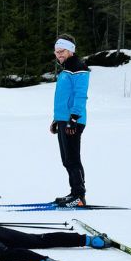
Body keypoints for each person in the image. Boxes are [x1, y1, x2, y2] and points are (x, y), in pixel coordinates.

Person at [50, 34, 90, 208]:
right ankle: (74, 193)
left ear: (71, 50)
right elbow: (63, 98)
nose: (59, 54)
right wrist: (56, 120)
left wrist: (73, 119)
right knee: (67, 159)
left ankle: (79, 195)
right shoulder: (66, 69)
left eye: (62, 51)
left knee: (73, 158)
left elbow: (80, 96)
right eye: (57, 52)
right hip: (63, 120)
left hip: (73, 121)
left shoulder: (79, 68)